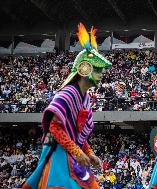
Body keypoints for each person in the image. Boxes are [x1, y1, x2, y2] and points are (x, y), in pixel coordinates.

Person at [22, 23, 112, 189]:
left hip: (73, 157)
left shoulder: (85, 98)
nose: (101, 75)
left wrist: (90, 153)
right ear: (85, 68)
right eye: (98, 70)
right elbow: (54, 128)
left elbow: (77, 136)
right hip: (60, 156)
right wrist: (78, 153)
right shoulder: (68, 93)